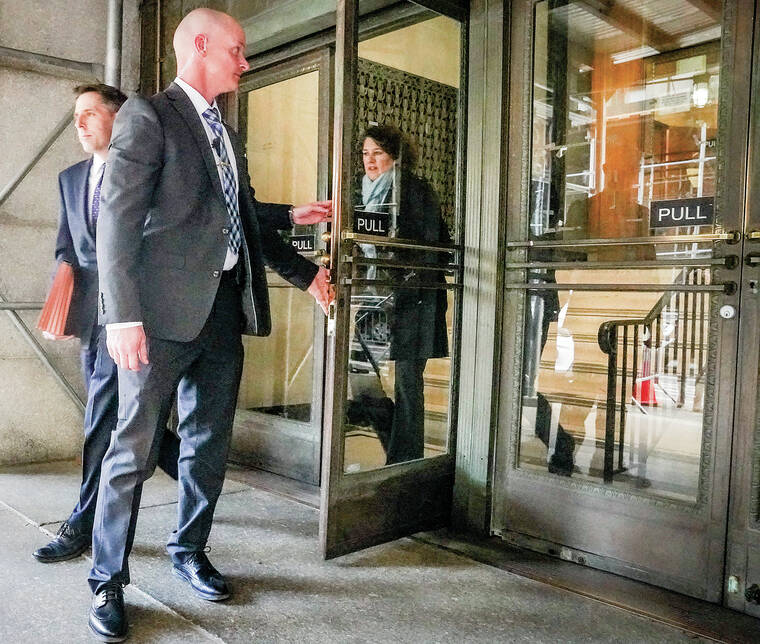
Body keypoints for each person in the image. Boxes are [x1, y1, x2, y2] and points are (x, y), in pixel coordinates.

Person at [86, 9, 333, 641]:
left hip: (222, 311)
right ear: (200, 46)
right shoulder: (149, 116)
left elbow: (237, 217)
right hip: (157, 317)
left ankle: (189, 549)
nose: (245, 62)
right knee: (134, 450)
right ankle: (107, 579)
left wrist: (305, 269)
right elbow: (116, 221)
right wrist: (123, 316)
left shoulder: (226, 130)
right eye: (236, 50)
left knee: (208, 444)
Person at [33, 84, 180, 565]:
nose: (79, 124)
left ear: (120, 118)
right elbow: (67, 246)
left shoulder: (147, 170)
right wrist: (61, 297)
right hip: (93, 323)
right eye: (76, 115)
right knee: (119, 416)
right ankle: (187, 471)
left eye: (90, 113)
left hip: (139, 314)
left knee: (110, 418)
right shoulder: (71, 178)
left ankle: (83, 523)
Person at [351, 125, 449, 465]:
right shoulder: (363, 192)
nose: (370, 160)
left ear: (395, 156)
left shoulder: (415, 190)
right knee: (359, 377)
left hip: (412, 300)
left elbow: (432, 246)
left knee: (408, 384)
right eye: (365, 153)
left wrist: (401, 274)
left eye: (378, 153)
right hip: (376, 298)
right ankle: (399, 445)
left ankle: (404, 462)